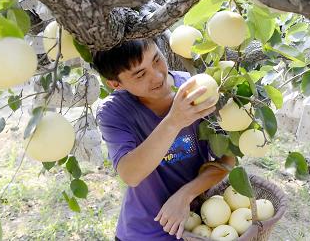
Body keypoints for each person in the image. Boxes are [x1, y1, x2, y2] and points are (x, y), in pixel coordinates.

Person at [92, 38, 235, 241]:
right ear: (116, 84)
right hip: (143, 232)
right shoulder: (114, 112)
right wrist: (174, 121)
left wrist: (186, 195)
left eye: (157, 59)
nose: (158, 76)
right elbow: (130, 174)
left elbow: (227, 160)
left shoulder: (195, 88)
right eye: (141, 74)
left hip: (199, 225)